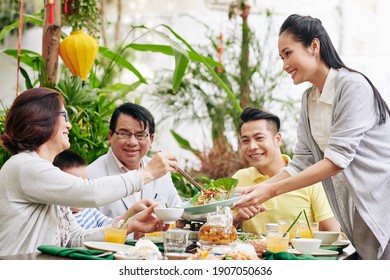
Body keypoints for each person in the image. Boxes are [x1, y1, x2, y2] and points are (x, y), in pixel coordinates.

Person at [234, 14, 390, 260]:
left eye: (288, 53)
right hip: (361, 213)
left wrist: (270, 192)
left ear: (313, 46)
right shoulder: (309, 99)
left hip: (382, 205)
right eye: (281, 57)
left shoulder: (352, 87)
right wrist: (253, 190)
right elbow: (301, 162)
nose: (284, 64)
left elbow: (337, 160)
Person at [0, 87, 177, 256]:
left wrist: (127, 225)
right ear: (41, 118)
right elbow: (89, 192)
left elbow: (76, 238)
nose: (69, 125)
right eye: (64, 115)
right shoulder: (24, 166)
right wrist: (147, 174)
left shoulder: (44, 173)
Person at [232, 107, 339, 235]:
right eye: (245, 141)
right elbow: (219, 232)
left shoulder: (308, 177)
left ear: (277, 139)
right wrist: (236, 219)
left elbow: (332, 233)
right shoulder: (239, 179)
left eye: (259, 138)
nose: (252, 146)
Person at [86, 102, 182, 223]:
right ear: (110, 136)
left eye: (140, 135)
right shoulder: (89, 176)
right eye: (124, 134)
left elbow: (178, 211)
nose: (132, 142)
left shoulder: (161, 170)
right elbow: (85, 231)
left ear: (151, 139)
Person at [53, 149, 166, 232]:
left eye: (85, 183)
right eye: (75, 185)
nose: (82, 190)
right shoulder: (59, 215)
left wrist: (132, 212)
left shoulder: (89, 210)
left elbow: (109, 225)